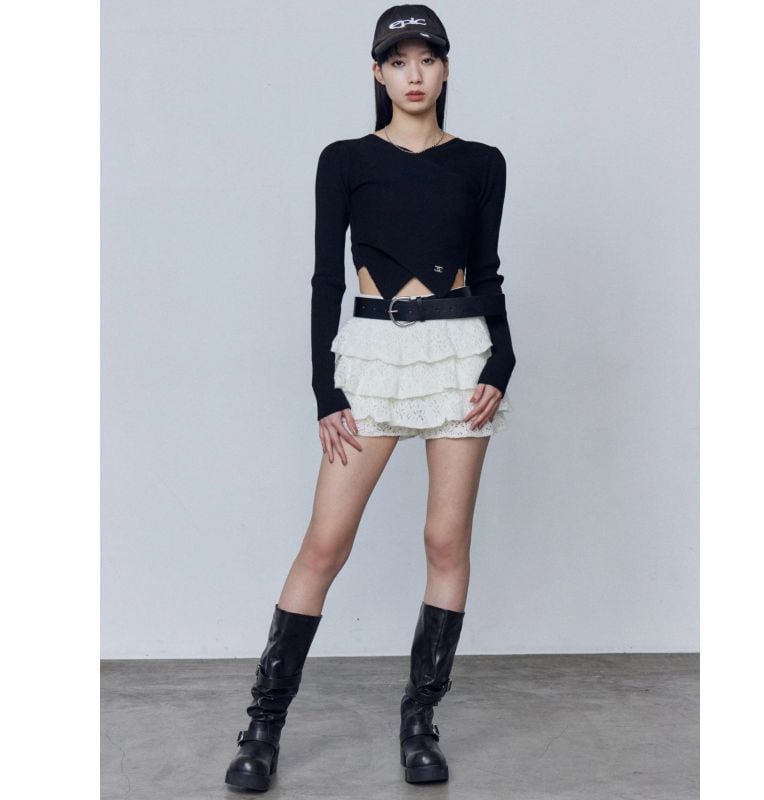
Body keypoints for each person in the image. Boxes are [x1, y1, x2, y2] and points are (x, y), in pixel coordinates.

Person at [225, 4, 516, 791]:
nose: (414, 75)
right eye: (398, 61)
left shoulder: (482, 163)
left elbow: (487, 271)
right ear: (378, 72)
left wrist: (503, 359)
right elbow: (327, 277)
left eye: (428, 59)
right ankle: (263, 728)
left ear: (446, 69)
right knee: (325, 544)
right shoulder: (345, 160)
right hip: (373, 355)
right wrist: (326, 388)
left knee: (445, 541)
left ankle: (420, 722)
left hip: (459, 353)